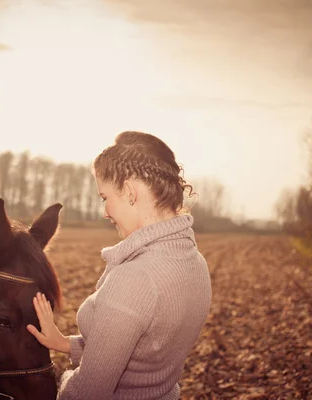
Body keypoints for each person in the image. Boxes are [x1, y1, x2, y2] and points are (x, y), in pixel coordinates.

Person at [27, 131, 212, 400]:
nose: (104, 212)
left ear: (128, 191)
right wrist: (64, 343)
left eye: (105, 197)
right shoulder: (195, 263)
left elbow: (88, 393)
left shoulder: (135, 278)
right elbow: (142, 354)